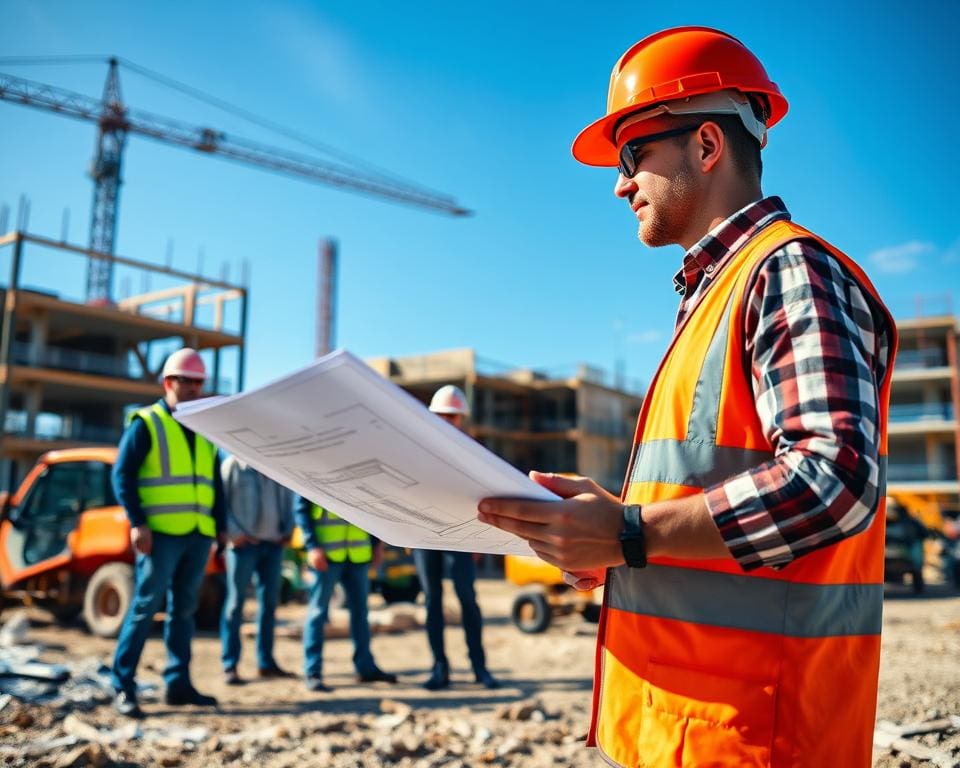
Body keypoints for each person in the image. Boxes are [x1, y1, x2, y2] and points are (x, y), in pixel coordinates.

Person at [478, 27, 897, 767]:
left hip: (757, 733)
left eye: (633, 154)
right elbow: (711, 498)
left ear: (707, 146)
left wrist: (632, 532)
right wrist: (609, 537)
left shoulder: (787, 269)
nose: (619, 183)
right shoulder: (715, 294)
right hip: (682, 726)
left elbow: (835, 480)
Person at [110, 347, 227, 718]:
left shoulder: (205, 429)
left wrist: (221, 528)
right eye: (185, 381)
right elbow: (122, 475)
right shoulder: (146, 423)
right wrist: (137, 522)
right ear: (168, 382)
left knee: (184, 611)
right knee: (146, 608)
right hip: (159, 535)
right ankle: (123, 686)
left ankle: (178, 684)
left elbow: (215, 484)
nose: (193, 388)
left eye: (198, 382)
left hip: (198, 533)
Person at [416, 385, 498, 690]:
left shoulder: (471, 452)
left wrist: (480, 538)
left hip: (461, 537)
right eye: (442, 415)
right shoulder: (419, 450)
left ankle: (479, 667)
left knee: (467, 598)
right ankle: (439, 668)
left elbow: (483, 496)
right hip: (426, 536)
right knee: (432, 601)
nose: (447, 420)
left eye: (452, 416)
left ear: (461, 418)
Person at [293, 496, 397, 692]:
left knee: (361, 613)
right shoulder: (312, 465)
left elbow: (373, 508)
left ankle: (365, 668)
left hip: (358, 553)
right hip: (326, 553)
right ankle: (312, 671)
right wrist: (312, 546)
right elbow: (301, 509)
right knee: (318, 613)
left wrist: (376, 545)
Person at [219, 457, 296, 685]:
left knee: (270, 604)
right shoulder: (233, 466)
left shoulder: (277, 464)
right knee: (235, 605)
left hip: (273, 544)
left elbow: (289, 497)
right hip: (243, 547)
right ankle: (230, 665)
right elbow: (220, 503)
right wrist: (234, 533)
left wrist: (289, 529)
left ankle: (266, 663)